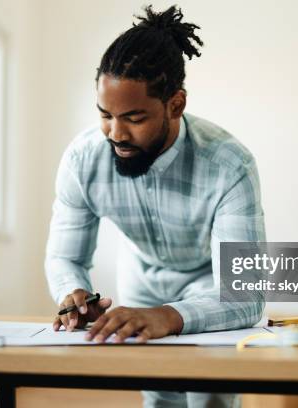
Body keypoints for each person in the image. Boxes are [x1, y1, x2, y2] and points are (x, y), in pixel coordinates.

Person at [45, 5, 265, 408]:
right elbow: (63, 257)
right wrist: (72, 293)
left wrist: (167, 315)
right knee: (159, 396)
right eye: (105, 115)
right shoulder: (81, 161)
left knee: (209, 395)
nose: (116, 133)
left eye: (134, 117)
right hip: (141, 279)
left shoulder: (230, 165)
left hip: (209, 283)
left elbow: (245, 296)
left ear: (176, 104)